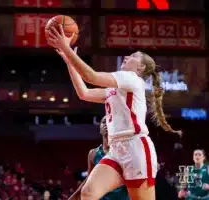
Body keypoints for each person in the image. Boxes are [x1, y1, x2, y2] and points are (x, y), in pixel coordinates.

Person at [47, 26, 181, 200]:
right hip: (116, 149)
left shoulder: (132, 79)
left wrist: (66, 48)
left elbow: (91, 76)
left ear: (140, 67)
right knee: (88, 193)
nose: (126, 57)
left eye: (133, 57)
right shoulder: (115, 89)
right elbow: (84, 93)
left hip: (136, 148)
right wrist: (69, 62)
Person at [69, 117, 129, 200]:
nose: (107, 125)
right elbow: (89, 179)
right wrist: (75, 195)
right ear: (100, 128)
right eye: (104, 122)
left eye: (110, 122)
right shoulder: (93, 154)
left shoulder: (124, 152)